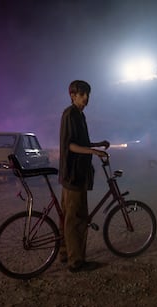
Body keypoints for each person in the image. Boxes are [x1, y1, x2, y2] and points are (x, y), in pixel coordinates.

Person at [59, 80, 110, 273]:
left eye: (87, 94)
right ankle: (76, 262)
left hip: (73, 174)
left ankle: (65, 253)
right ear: (73, 95)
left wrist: (97, 144)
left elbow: (82, 143)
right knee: (77, 219)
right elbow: (70, 145)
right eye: (82, 94)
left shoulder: (79, 115)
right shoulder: (71, 114)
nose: (86, 98)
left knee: (68, 217)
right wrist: (94, 153)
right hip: (74, 175)